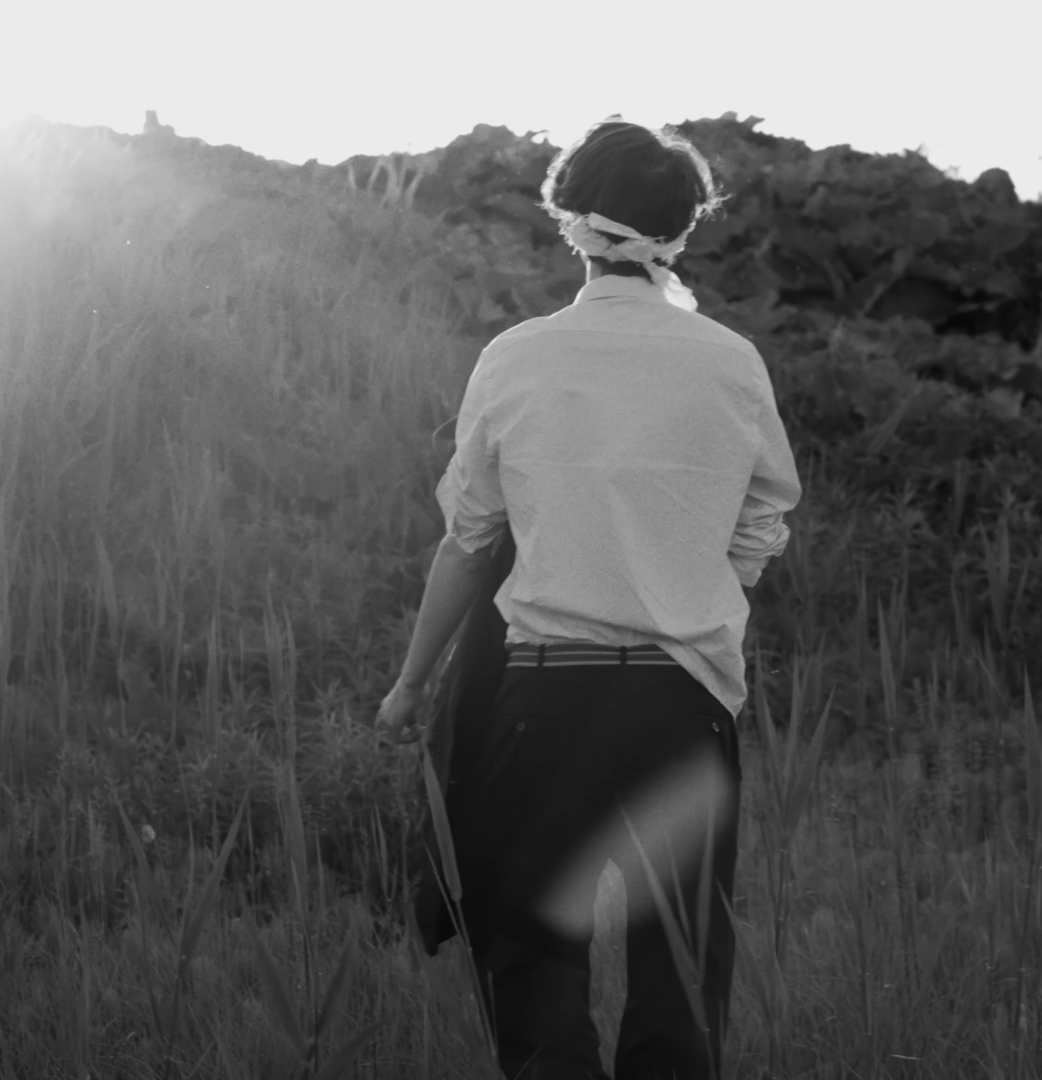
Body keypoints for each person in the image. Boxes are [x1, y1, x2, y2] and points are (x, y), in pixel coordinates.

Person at [375, 117, 802, 1079]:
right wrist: (691, 576)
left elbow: (468, 539)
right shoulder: (732, 362)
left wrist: (411, 686)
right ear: (680, 234)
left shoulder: (517, 358)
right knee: (681, 970)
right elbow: (765, 513)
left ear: (571, 223)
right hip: (683, 706)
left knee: (531, 959)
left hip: (544, 699)